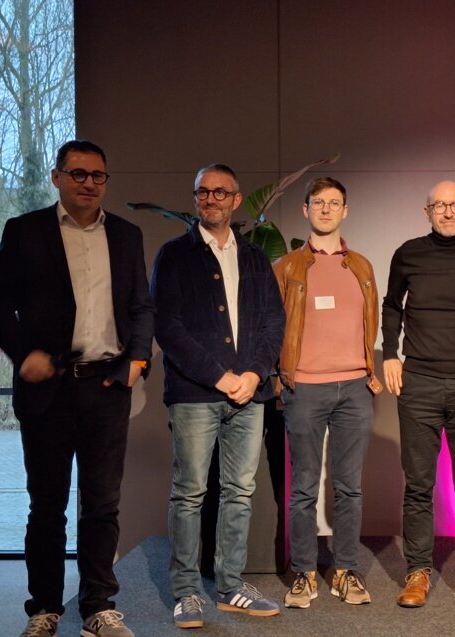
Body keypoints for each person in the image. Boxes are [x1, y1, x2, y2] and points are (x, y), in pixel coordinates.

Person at [0, 140, 154, 637]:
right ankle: (44, 609)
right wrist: (23, 354)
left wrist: (137, 361)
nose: (88, 183)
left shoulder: (125, 235)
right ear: (57, 178)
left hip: (106, 387)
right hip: (48, 390)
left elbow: (141, 305)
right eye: (78, 174)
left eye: (98, 175)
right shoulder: (25, 231)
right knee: (47, 505)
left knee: (102, 504)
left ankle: (99, 606)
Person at [151, 163, 285, 629]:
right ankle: (187, 591)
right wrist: (220, 377)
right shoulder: (174, 256)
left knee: (239, 492)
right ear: (196, 199)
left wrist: (254, 373)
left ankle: (229, 586)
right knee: (189, 493)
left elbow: (273, 324)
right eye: (203, 192)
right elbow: (167, 327)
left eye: (220, 192)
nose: (211, 199)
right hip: (194, 395)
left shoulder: (254, 258)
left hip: (250, 394)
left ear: (235, 198)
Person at [382, 180, 455, 608]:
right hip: (420, 384)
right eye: (439, 206)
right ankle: (417, 571)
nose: (447, 212)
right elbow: (392, 305)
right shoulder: (408, 252)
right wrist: (391, 354)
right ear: (425, 211)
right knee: (418, 484)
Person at [274, 177, 382, 609]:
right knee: (303, 487)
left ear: (345, 211)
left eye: (334, 202)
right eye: (318, 202)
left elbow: (371, 322)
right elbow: (271, 328)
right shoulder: (285, 268)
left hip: (355, 388)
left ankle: (344, 571)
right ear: (305, 210)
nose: (325, 209)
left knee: (350, 487)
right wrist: (281, 377)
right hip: (305, 388)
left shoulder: (362, 266)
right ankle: (303, 573)